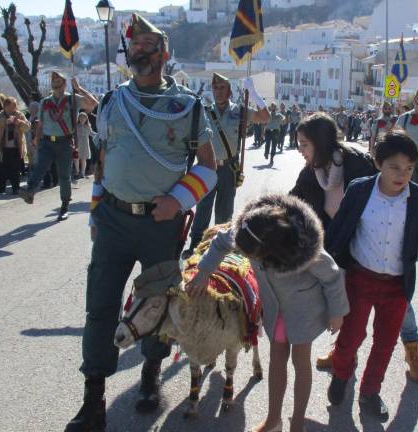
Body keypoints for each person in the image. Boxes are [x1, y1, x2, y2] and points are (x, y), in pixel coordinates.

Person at [64, 14, 217, 432]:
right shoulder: (114, 101)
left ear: (163, 53)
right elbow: (103, 158)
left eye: (148, 44)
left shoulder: (187, 106)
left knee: (158, 306)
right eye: (134, 45)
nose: (139, 51)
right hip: (113, 220)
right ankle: (92, 400)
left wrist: (177, 200)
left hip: (159, 223)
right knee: (100, 308)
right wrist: (96, 209)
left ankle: (150, 376)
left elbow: (208, 167)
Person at [186, 194, 349, 432]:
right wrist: (203, 272)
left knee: (300, 361)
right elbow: (221, 242)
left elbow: (333, 277)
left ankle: (297, 423)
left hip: (303, 310)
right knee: (276, 358)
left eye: (254, 257)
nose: (250, 259)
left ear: (274, 251)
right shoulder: (249, 230)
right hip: (274, 307)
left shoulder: (306, 251)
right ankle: (274, 419)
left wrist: (338, 312)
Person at [325, 130, 418, 421]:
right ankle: (340, 374)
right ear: (378, 163)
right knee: (351, 336)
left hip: (397, 287)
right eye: (394, 167)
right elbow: (339, 229)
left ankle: (370, 392)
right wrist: (326, 269)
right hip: (360, 279)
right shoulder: (360, 190)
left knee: (385, 342)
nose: (402, 175)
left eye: (409, 169)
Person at [182, 72, 269, 257]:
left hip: (229, 169)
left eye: (222, 88)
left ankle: (219, 248)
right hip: (206, 167)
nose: (218, 92)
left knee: (224, 212)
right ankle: (196, 245)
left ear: (229, 92)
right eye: (215, 88)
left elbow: (265, 117)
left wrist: (253, 93)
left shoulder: (239, 111)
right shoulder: (203, 111)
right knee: (203, 210)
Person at [18, 70, 98, 220]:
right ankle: (30, 191)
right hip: (47, 141)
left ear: (64, 84)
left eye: (58, 81)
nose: (55, 83)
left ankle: (64, 206)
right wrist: (37, 139)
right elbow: (41, 123)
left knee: (64, 176)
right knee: (40, 166)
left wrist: (79, 88)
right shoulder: (45, 102)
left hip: (64, 142)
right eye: (53, 81)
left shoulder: (72, 99)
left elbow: (93, 103)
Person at [290, 112, 376, 228]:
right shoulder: (309, 174)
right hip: (328, 244)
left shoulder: (359, 166)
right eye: (299, 144)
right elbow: (289, 203)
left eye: (304, 144)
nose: (300, 150)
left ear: (321, 142)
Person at [0, 97, 30, 194]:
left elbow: (27, 128)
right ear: (5, 106)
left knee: (15, 170)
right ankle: (0, 188)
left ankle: (16, 188)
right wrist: (5, 121)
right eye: (10, 107)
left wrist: (19, 123)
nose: (13, 109)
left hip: (15, 147)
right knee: (0, 169)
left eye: (14, 106)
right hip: (1, 148)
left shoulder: (20, 115)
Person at [74, 112, 95, 179]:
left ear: (86, 119)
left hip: (85, 144)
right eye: (81, 117)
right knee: (76, 158)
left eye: (84, 117)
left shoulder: (88, 126)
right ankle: (77, 172)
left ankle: (82, 173)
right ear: (78, 118)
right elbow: (72, 134)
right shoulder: (76, 126)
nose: (82, 119)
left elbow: (91, 133)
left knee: (83, 159)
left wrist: (99, 134)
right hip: (77, 144)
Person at [24, 101, 40, 176]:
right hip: (29, 142)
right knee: (31, 160)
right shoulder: (30, 117)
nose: (29, 109)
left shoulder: (37, 118)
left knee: (35, 161)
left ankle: (35, 177)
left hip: (35, 143)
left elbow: (36, 131)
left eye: (30, 108)